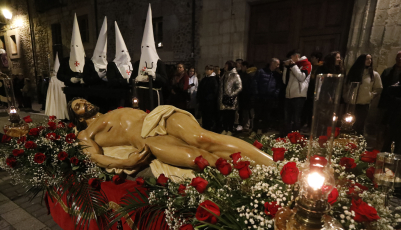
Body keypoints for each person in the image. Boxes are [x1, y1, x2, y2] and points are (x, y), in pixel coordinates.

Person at [68, 98, 273, 174]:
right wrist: (125, 163)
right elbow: (94, 156)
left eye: (83, 100)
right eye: (77, 106)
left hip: (157, 118)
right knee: (197, 158)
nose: (84, 103)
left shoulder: (110, 111)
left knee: (201, 137)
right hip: (148, 140)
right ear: (76, 117)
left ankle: (272, 165)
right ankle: (252, 176)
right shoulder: (85, 133)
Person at [130, 5, 167, 111]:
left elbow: (165, 81)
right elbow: (131, 79)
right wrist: (134, 79)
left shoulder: (159, 64)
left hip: (154, 95)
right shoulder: (137, 64)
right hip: (140, 95)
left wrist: (155, 76)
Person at [345, 54, 382, 135]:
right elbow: (346, 85)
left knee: (360, 125)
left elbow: (378, 88)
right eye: (367, 59)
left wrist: (370, 96)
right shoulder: (354, 73)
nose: (369, 61)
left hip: (363, 104)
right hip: (351, 103)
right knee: (348, 124)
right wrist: (346, 96)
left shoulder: (374, 75)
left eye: (370, 59)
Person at [282, 49, 312, 133]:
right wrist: (286, 68)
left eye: (290, 58)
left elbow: (301, 77)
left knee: (296, 118)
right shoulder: (292, 66)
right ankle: (286, 136)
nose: (289, 60)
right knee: (287, 118)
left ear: (296, 56)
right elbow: (285, 81)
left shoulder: (306, 64)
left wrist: (293, 66)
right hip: (288, 95)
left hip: (299, 95)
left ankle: (295, 136)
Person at [252, 58, 282, 136]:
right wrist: (256, 93)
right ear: (272, 63)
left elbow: (278, 86)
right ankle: (254, 130)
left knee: (267, 115)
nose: (278, 66)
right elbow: (255, 82)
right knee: (257, 114)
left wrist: (275, 93)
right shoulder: (261, 72)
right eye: (277, 64)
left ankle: (263, 131)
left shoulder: (277, 75)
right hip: (260, 97)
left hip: (270, 98)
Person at [379, 51, 401, 153]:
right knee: (384, 130)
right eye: (398, 57)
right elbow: (384, 88)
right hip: (388, 104)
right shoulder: (388, 71)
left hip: (398, 108)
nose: (400, 59)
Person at [107, 21, 133, 91]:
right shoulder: (112, 65)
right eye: (122, 52)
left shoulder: (129, 64)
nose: (124, 54)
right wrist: (125, 81)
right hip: (118, 92)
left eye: (126, 52)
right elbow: (112, 80)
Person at [219, 60, 242, 136]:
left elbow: (239, 87)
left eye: (226, 65)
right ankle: (225, 128)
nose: (224, 67)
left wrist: (232, 94)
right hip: (224, 98)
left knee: (230, 115)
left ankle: (230, 129)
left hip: (231, 99)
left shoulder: (235, 75)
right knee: (224, 115)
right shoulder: (224, 75)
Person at [83, 16, 108, 85]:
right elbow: (86, 79)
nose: (102, 58)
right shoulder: (89, 65)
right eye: (100, 56)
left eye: (104, 56)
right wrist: (97, 76)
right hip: (94, 91)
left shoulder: (107, 65)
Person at [301, 52, 322, 132]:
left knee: (312, 110)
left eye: (313, 57)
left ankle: (310, 125)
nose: (311, 59)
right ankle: (304, 124)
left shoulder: (320, 68)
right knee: (306, 109)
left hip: (315, 90)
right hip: (308, 90)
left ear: (317, 58)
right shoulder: (310, 66)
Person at [197, 65, 219, 131]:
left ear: (212, 70)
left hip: (210, 102)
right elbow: (200, 89)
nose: (206, 71)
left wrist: (209, 97)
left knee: (210, 116)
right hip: (203, 101)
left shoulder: (214, 79)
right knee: (204, 116)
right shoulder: (204, 79)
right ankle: (205, 126)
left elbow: (215, 90)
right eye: (206, 69)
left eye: (208, 70)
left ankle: (210, 127)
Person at [237, 61, 257, 132]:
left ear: (245, 67)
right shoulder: (242, 74)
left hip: (248, 96)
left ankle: (248, 127)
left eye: (242, 66)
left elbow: (251, 87)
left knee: (249, 113)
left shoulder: (250, 75)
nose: (241, 68)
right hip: (244, 96)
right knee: (245, 112)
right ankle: (245, 126)